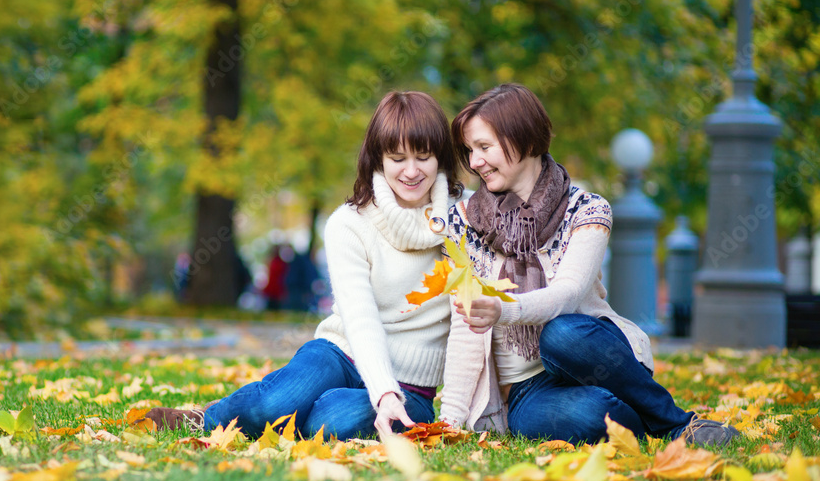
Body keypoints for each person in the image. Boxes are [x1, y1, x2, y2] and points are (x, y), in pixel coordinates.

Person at [145, 91, 463, 439]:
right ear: (378, 159)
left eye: (424, 157)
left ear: (441, 157)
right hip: (341, 353)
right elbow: (360, 318)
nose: (412, 171)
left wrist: (394, 395)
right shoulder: (350, 224)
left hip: (410, 386)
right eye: (398, 158)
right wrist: (380, 391)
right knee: (271, 406)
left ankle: (306, 409)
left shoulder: (466, 217)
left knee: (330, 424)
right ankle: (206, 418)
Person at [438, 83, 740, 447]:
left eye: (484, 147)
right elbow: (464, 326)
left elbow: (566, 295)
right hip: (525, 389)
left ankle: (676, 423)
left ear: (526, 140)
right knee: (590, 416)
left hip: (592, 357)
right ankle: (641, 420)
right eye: (470, 150)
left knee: (561, 333)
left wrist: (504, 309)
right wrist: (449, 422)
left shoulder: (586, 209)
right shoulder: (463, 222)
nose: (474, 162)